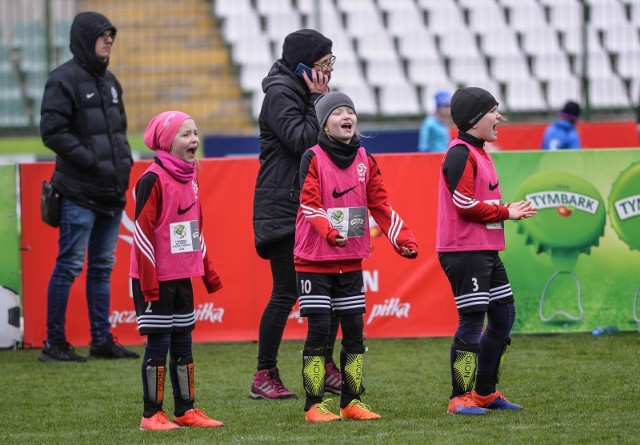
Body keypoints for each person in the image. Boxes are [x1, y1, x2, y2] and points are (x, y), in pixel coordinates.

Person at [295, 92, 418, 422]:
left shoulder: (366, 159)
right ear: (324, 123)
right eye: (338, 112)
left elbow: (380, 205)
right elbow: (309, 205)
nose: (347, 116)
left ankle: (351, 401)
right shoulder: (312, 157)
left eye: (350, 111)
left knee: (353, 331)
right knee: (320, 332)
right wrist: (330, 233)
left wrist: (402, 240)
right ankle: (313, 405)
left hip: (350, 259)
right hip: (313, 260)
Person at [38, 11, 138, 362]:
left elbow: (120, 133)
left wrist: (122, 167)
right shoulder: (62, 80)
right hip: (78, 192)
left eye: (111, 34)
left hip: (110, 194)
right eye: (102, 34)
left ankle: (100, 340)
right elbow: (52, 132)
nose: (109, 39)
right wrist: (92, 162)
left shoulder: (110, 81)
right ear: (84, 38)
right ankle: (54, 343)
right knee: (68, 266)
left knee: (100, 268)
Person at [251, 29, 342, 399]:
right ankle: (263, 374)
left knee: (333, 288)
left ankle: (326, 364)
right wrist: (318, 100)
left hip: (309, 207)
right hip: (283, 207)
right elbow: (304, 141)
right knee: (286, 291)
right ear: (303, 65)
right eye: (323, 64)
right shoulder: (280, 93)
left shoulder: (301, 93)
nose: (329, 71)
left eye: (330, 63)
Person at [436, 87, 537, 415]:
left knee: (504, 315)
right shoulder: (460, 152)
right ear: (474, 119)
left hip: (484, 249)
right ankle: (459, 398)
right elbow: (463, 204)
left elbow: (478, 201)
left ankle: (485, 392)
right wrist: (507, 212)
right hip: (464, 250)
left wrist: (504, 208)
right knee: (472, 321)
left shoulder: (479, 151)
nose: (499, 117)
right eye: (493, 111)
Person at [131, 111, 224, 431]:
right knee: (158, 345)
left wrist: (207, 272)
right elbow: (141, 234)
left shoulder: (193, 174)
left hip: (182, 276)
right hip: (154, 279)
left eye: (196, 133)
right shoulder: (151, 179)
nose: (194, 140)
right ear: (166, 142)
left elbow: (194, 229)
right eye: (186, 134)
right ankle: (150, 415)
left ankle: (185, 410)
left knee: (184, 345)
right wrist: (149, 284)